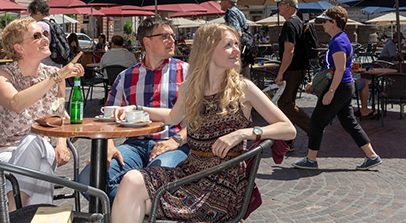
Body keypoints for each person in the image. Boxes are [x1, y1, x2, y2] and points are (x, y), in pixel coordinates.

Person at [110, 23, 296, 222]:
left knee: (138, 203)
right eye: (228, 45)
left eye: (236, 44)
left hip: (223, 184)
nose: (237, 50)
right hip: (189, 173)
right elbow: (172, 117)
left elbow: (288, 129)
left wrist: (243, 133)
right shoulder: (190, 88)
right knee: (131, 182)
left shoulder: (243, 88)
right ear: (207, 50)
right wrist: (136, 108)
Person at [78, 16, 190, 203]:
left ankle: (131, 212)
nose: (172, 40)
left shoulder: (186, 72)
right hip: (134, 146)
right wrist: (110, 145)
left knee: (154, 180)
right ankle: (134, 213)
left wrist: (176, 140)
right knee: (88, 180)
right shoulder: (126, 77)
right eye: (165, 36)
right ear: (147, 42)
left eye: (173, 35)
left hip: (173, 144)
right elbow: (107, 118)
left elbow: (202, 118)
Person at [0, 17, 84, 210]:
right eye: (36, 36)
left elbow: (59, 115)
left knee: (40, 148)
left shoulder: (53, 76)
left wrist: (61, 144)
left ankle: (14, 214)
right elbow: (15, 103)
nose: (45, 39)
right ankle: (16, 213)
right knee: (39, 155)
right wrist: (58, 76)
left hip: (42, 150)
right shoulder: (1, 75)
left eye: (45, 34)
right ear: (19, 48)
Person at [292, 7, 381, 170]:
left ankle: (311, 160)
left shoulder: (339, 41)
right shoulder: (340, 39)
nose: (322, 24)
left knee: (317, 122)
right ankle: (372, 156)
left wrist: (331, 92)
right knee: (349, 123)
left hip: (339, 87)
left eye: (325, 21)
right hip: (343, 86)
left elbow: (339, 69)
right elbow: (332, 68)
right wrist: (316, 83)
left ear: (334, 22)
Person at [274, 0, 311, 145]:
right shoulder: (298, 22)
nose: (278, 7)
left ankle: (313, 129)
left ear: (288, 5)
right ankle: (288, 140)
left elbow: (289, 51)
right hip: (299, 68)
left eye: (280, 4)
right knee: (288, 103)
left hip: (292, 70)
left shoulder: (290, 24)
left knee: (284, 103)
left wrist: (281, 72)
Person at [218, 0, 252, 78]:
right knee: (245, 68)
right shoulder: (238, 12)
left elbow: (237, 32)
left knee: (235, 71)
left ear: (226, 2)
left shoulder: (230, 13)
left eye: (221, 1)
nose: (220, 3)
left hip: (238, 45)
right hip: (246, 44)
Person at [28, 0, 67, 68]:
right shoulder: (54, 23)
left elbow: (32, 45)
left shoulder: (39, 25)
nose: (32, 16)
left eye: (32, 14)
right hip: (57, 64)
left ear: (37, 11)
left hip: (44, 65)